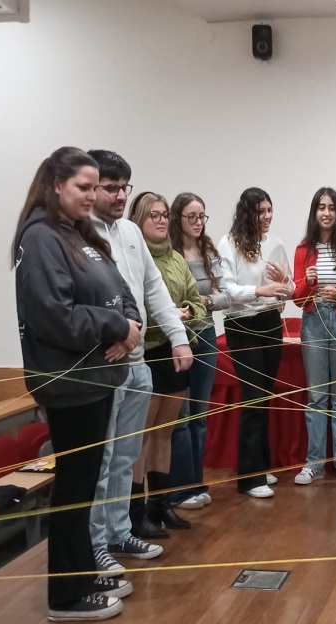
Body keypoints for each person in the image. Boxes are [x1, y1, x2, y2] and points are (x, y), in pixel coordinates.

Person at [13, 146, 138, 621]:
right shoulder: (41, 238)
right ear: (56, 185)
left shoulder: (79, 234)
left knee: (86, 483)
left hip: (99, 377)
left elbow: (121, 293)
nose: (91, 196)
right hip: (70, 381)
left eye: (94, 187)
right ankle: (65, 595)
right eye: (83, 188)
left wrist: (130, 328)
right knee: (75, 485)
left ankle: (82, 570)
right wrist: (114, 326)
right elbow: (55, 317)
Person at [86, 150, 190, 574]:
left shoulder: (129, 231)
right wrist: (111, 331)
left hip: (138, 361)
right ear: (91, 187)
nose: (119, 195)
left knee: (127, 456)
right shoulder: (77, 233)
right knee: (104, 459)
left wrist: (179, 339)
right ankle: (95, 545)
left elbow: (153, 291)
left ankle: (119, 530)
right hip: (103, 363)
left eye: (124, 186)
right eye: (111, 188)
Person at [129, 193, 204, 529]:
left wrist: (186, 313)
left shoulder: (175, 258)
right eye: (152, 215)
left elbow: (197, 301)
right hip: (147, 351)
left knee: (164, 432)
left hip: (176, 348)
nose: (160, 220)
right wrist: (166, 316)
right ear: (138, 220)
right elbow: (135, 308)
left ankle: (161, 503)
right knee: (142, 436)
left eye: (163, 215)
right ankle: (136, 510)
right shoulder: (134, 259)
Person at [217, 187, 292, 498]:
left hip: (270, 322)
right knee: (252, 397)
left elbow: (291, 286)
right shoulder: (229, 243)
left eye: (270, 210)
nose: (268, 217)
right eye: (261, 212)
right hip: (241, 324)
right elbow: (227, 290)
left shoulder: (275, 244)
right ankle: (248, 478)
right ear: (247, 213)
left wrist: (284, 283)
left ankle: (259, 466)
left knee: (264, 394)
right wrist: (260, 291)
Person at [292, 187, 336, 486]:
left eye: (331, 207)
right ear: (314, 212)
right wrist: (308, 285)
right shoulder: (303, 249)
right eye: (321, 207)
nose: (326, 212)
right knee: (317, 396)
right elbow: (297, 299)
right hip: (313, 321)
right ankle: (314, 463)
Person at [168, 193, 229, 509]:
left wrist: (202, 303)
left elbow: (224, 297)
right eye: (191, 216)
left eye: (202, 216)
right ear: (178, 218)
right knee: (183, 416)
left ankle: (197, 482)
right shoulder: (170, 252)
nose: (197, 222)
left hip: (205, 334)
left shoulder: (208, 250)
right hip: (177, 338)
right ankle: (181, 489)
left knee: (200, 416)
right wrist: (195, 304)